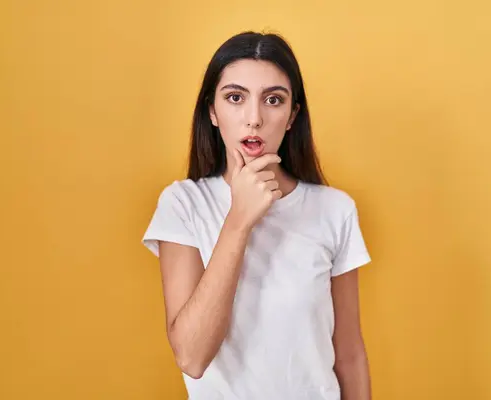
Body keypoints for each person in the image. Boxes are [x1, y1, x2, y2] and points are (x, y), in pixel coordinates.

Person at [142, 31, 373, 400]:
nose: (254, 118)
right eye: (235, 98)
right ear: (212, 112)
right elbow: (191, 356)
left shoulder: (334, 209)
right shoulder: (183, 204)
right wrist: (239, 220)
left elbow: (348, 354)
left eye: (273, 100)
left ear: (292, 114)